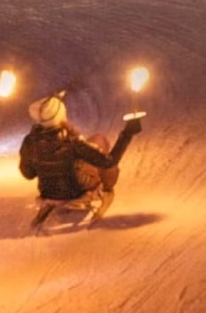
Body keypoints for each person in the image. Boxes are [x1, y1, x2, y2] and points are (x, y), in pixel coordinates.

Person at [19, 93, 141, 222]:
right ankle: (106, 190)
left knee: (93, 144)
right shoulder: (72, 141)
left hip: (48, 192)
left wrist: (46, 164)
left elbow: (28, 174)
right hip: (76, 191)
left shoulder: (30, 141)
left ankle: (56, 196)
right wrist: (128, 134)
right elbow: (108, 162)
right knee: (101, 145)